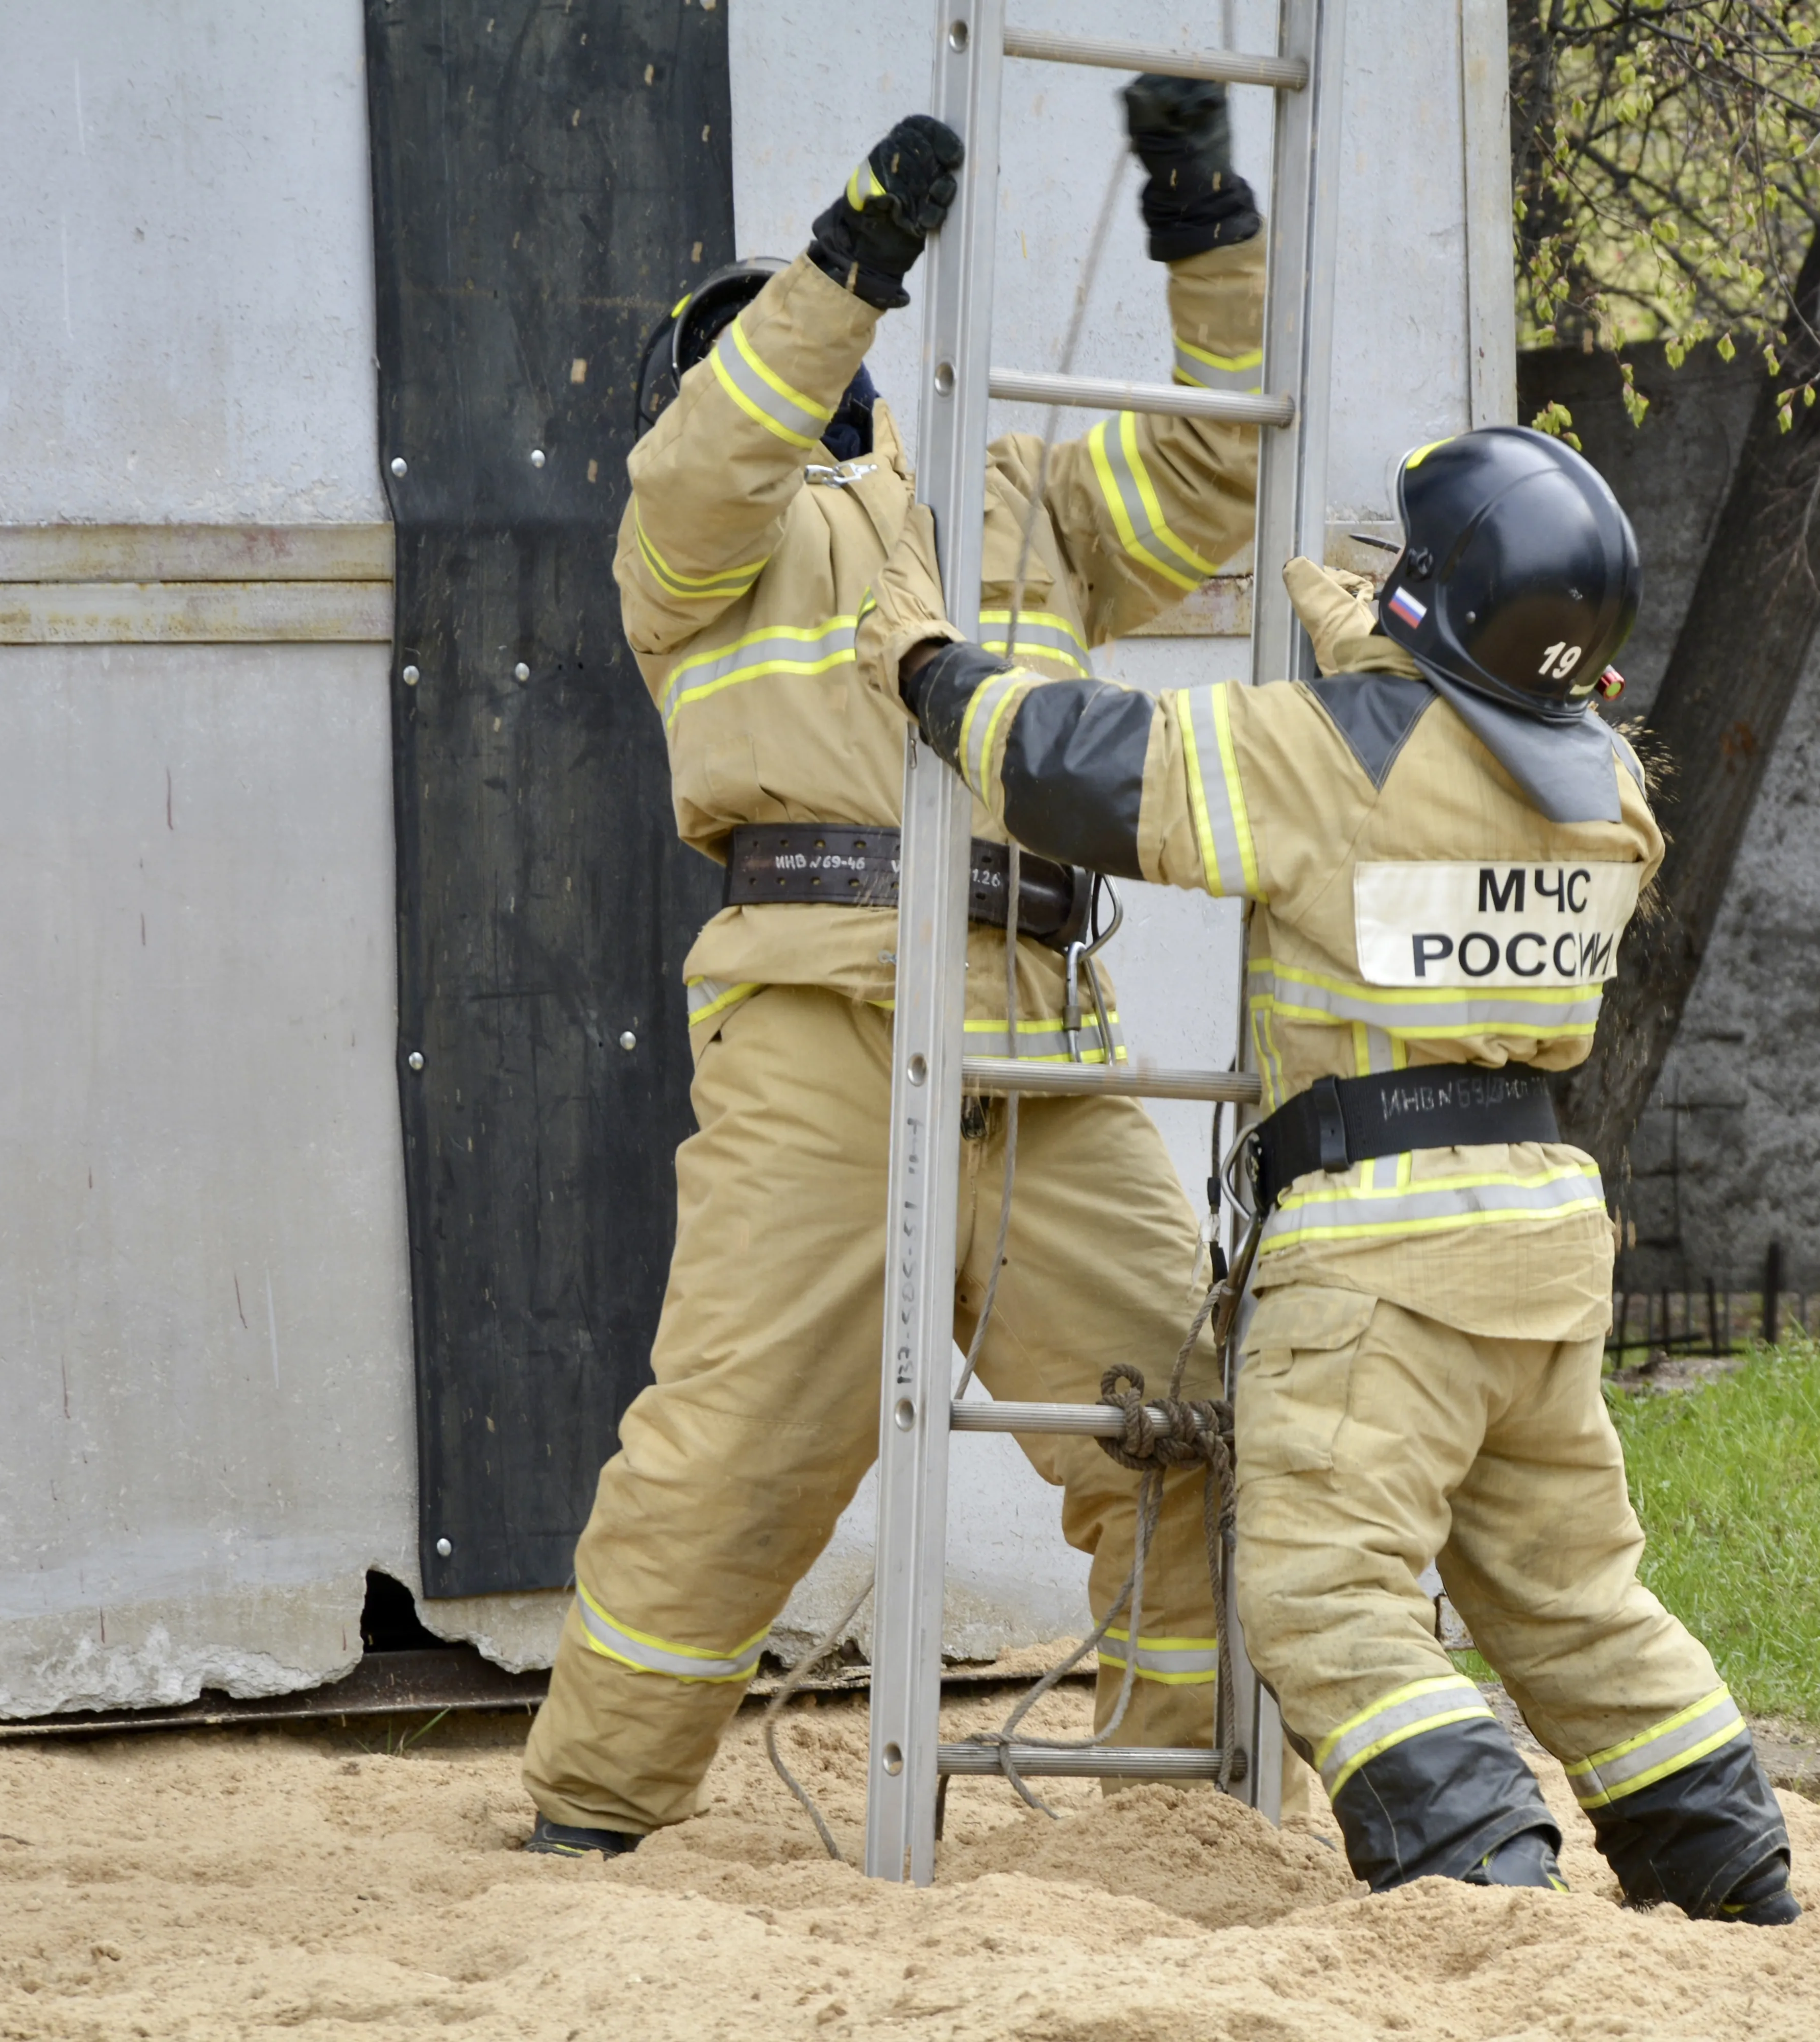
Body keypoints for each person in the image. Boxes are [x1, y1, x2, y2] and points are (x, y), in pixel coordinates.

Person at [859, 426, 1802, 1918]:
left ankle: (1483, 1883)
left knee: (1324, 1594)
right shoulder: (1612, 789)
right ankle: (1735, 1888)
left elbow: (1083, 766)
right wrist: (1410, 664)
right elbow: (1474, 765)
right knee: (1577, 1606)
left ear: (1430, 603)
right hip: (1541, 1240)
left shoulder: (1328, 753)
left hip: (1378, 1262)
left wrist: (924, 662)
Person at [520, 82, 1270, 1856]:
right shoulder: (687, 546)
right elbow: (712, 460)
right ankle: (595, 1804)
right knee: (741, 1444)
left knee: (1184, 1421)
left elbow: (1208, 469)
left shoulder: (1014, 494)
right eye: (771, 356)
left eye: (819, 348)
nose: (795, 381)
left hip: (1041, 1041)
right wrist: (845, 262)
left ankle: (1171, 1800)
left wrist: (1202, 225)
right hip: (822, 1030)